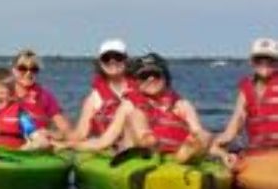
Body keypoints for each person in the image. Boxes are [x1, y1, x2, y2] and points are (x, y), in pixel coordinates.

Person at [67, 53, 211, 163]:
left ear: (165, 78)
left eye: (156, 74)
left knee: (204, 136)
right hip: (139, 154)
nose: (150, 79)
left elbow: (198, 132)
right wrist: (71, 145)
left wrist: (222, 154)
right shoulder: (128, 105)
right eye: (144, 76)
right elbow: (104, 141)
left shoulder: (183, 105)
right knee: (136, 114)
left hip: (174, 155)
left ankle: (185, 155)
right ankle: (147, 141)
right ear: (136, 81)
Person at [211, 38, 278, 167]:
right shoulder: (246, 88)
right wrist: (219, 143)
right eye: (259, 59)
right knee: (211, 146)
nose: (264, 64)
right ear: (252, 62)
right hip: (256, 152)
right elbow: (237, 120)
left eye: (270, 61)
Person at [71, 39, 135, 141]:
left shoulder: (141, 89)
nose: (112, 61)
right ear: (100, 63)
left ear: (126, 61)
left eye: (118, 57)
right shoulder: (94, 97)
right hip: (104, 148)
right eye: (106, 58)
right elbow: (81, 133)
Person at [11, 49, 72, 139]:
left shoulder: (45, 97)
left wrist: (50, 134)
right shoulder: (2, 94)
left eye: (33, 69)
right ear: (14, 71)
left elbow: (66, 130)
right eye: (22, 69)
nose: (28, 73)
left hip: (37, 144)